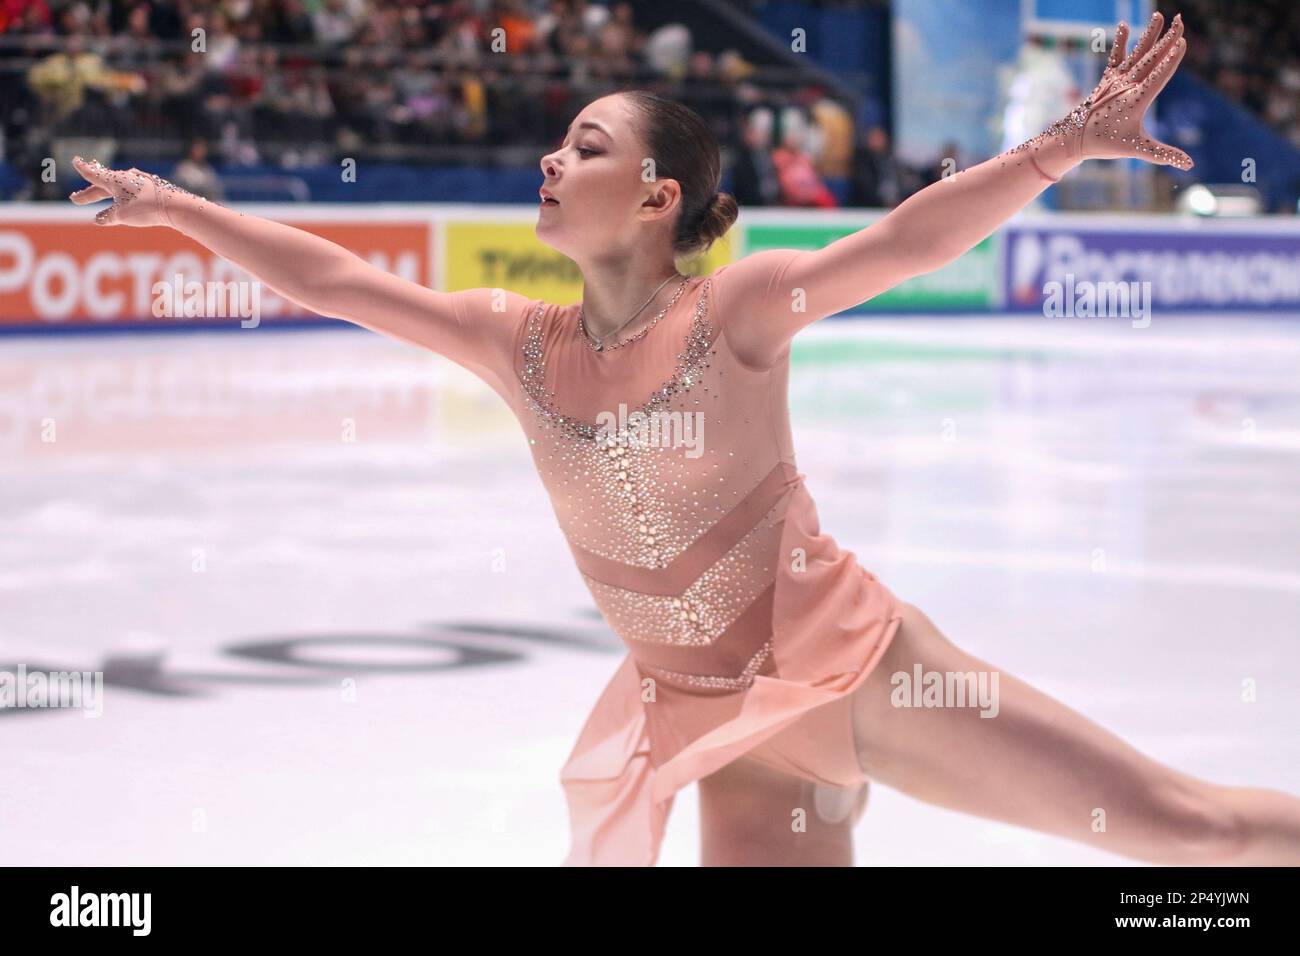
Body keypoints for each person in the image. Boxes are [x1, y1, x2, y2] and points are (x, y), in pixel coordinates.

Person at [68, 12, 1300, 867]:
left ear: (659, 199)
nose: (553, 158)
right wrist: (178, 206)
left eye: (588, 147)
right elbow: (337, 277)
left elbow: (906, 242)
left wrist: (1055, 150)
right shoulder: (517, 341)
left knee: (1185, 831)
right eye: (560, 143)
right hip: (723, 729)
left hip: (860, 672)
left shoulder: (738, 309)